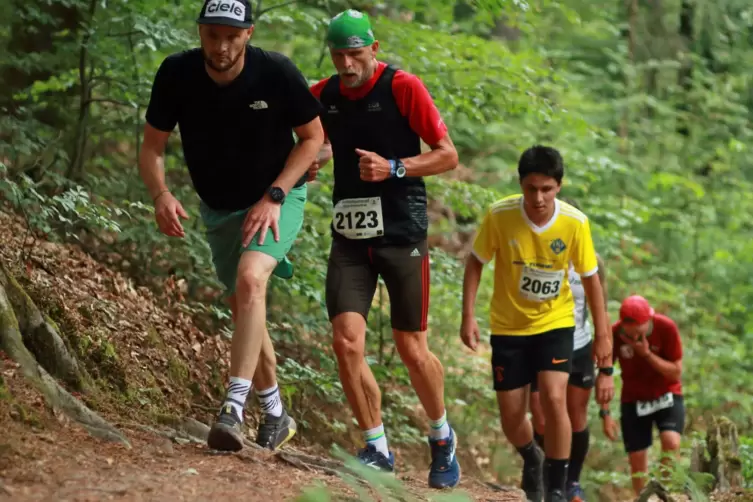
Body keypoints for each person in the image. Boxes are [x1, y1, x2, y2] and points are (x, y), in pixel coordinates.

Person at [138, 0, 324, 453]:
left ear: (248, 33)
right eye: (212, 35)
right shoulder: (176, 74)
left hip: (277, 199)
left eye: (231, 36)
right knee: (245, 303)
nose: (221, 46)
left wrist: (275, 196)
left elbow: (314, 138)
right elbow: (152, 147)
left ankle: (233, 408)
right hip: (218, 208)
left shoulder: (276, 71)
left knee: (250, 279)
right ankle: (276, 414)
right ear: (200, 32)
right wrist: (161, 194)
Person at [306, 9, 461, 489]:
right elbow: (313, 140)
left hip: (401, 234)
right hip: (351, 239)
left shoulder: (402, 88)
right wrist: (311, 157)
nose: (348, 64)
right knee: (346, 341)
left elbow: (448, 154)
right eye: (339, 55)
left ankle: (441, 436)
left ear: (373, 48)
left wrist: (394, 168)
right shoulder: (322, 95)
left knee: (411, 348)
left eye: (356, 53)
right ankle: (376, 446)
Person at [460, 145, 614, 502]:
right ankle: (532, 455)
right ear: (521, 186)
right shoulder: (500, 216)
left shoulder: (574, 223)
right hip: (509, 326)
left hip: (555, 322)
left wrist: (603, 336)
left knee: (554, 399)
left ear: (558, 186)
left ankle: (557, 488)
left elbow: (592, 280)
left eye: (547, 189)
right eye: (532, 189)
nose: (539, 198)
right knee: (512, 416)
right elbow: (475, 261)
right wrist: (468, 315)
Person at [528, 197, 613, 502]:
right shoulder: (535, 251)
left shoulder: (593, 261)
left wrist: (606, 369)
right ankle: (547, 473)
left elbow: (601, 312)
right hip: (540, 340)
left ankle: (569, 483)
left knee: (575, 415)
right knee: (539, 414)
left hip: (579, 343)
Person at [599, 295, 684, 496]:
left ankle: (666, 492)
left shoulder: (666, 328)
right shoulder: (614, 334)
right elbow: (605, 375)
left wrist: (646, 354)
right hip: (634, 399)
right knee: (637, 461)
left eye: (640, 328)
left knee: (671, 442)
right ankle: (645, 498)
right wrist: (606, 414)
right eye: (630, 329)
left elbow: (675, 371)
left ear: (649, 321)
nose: (635, 334)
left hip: (666, 393)